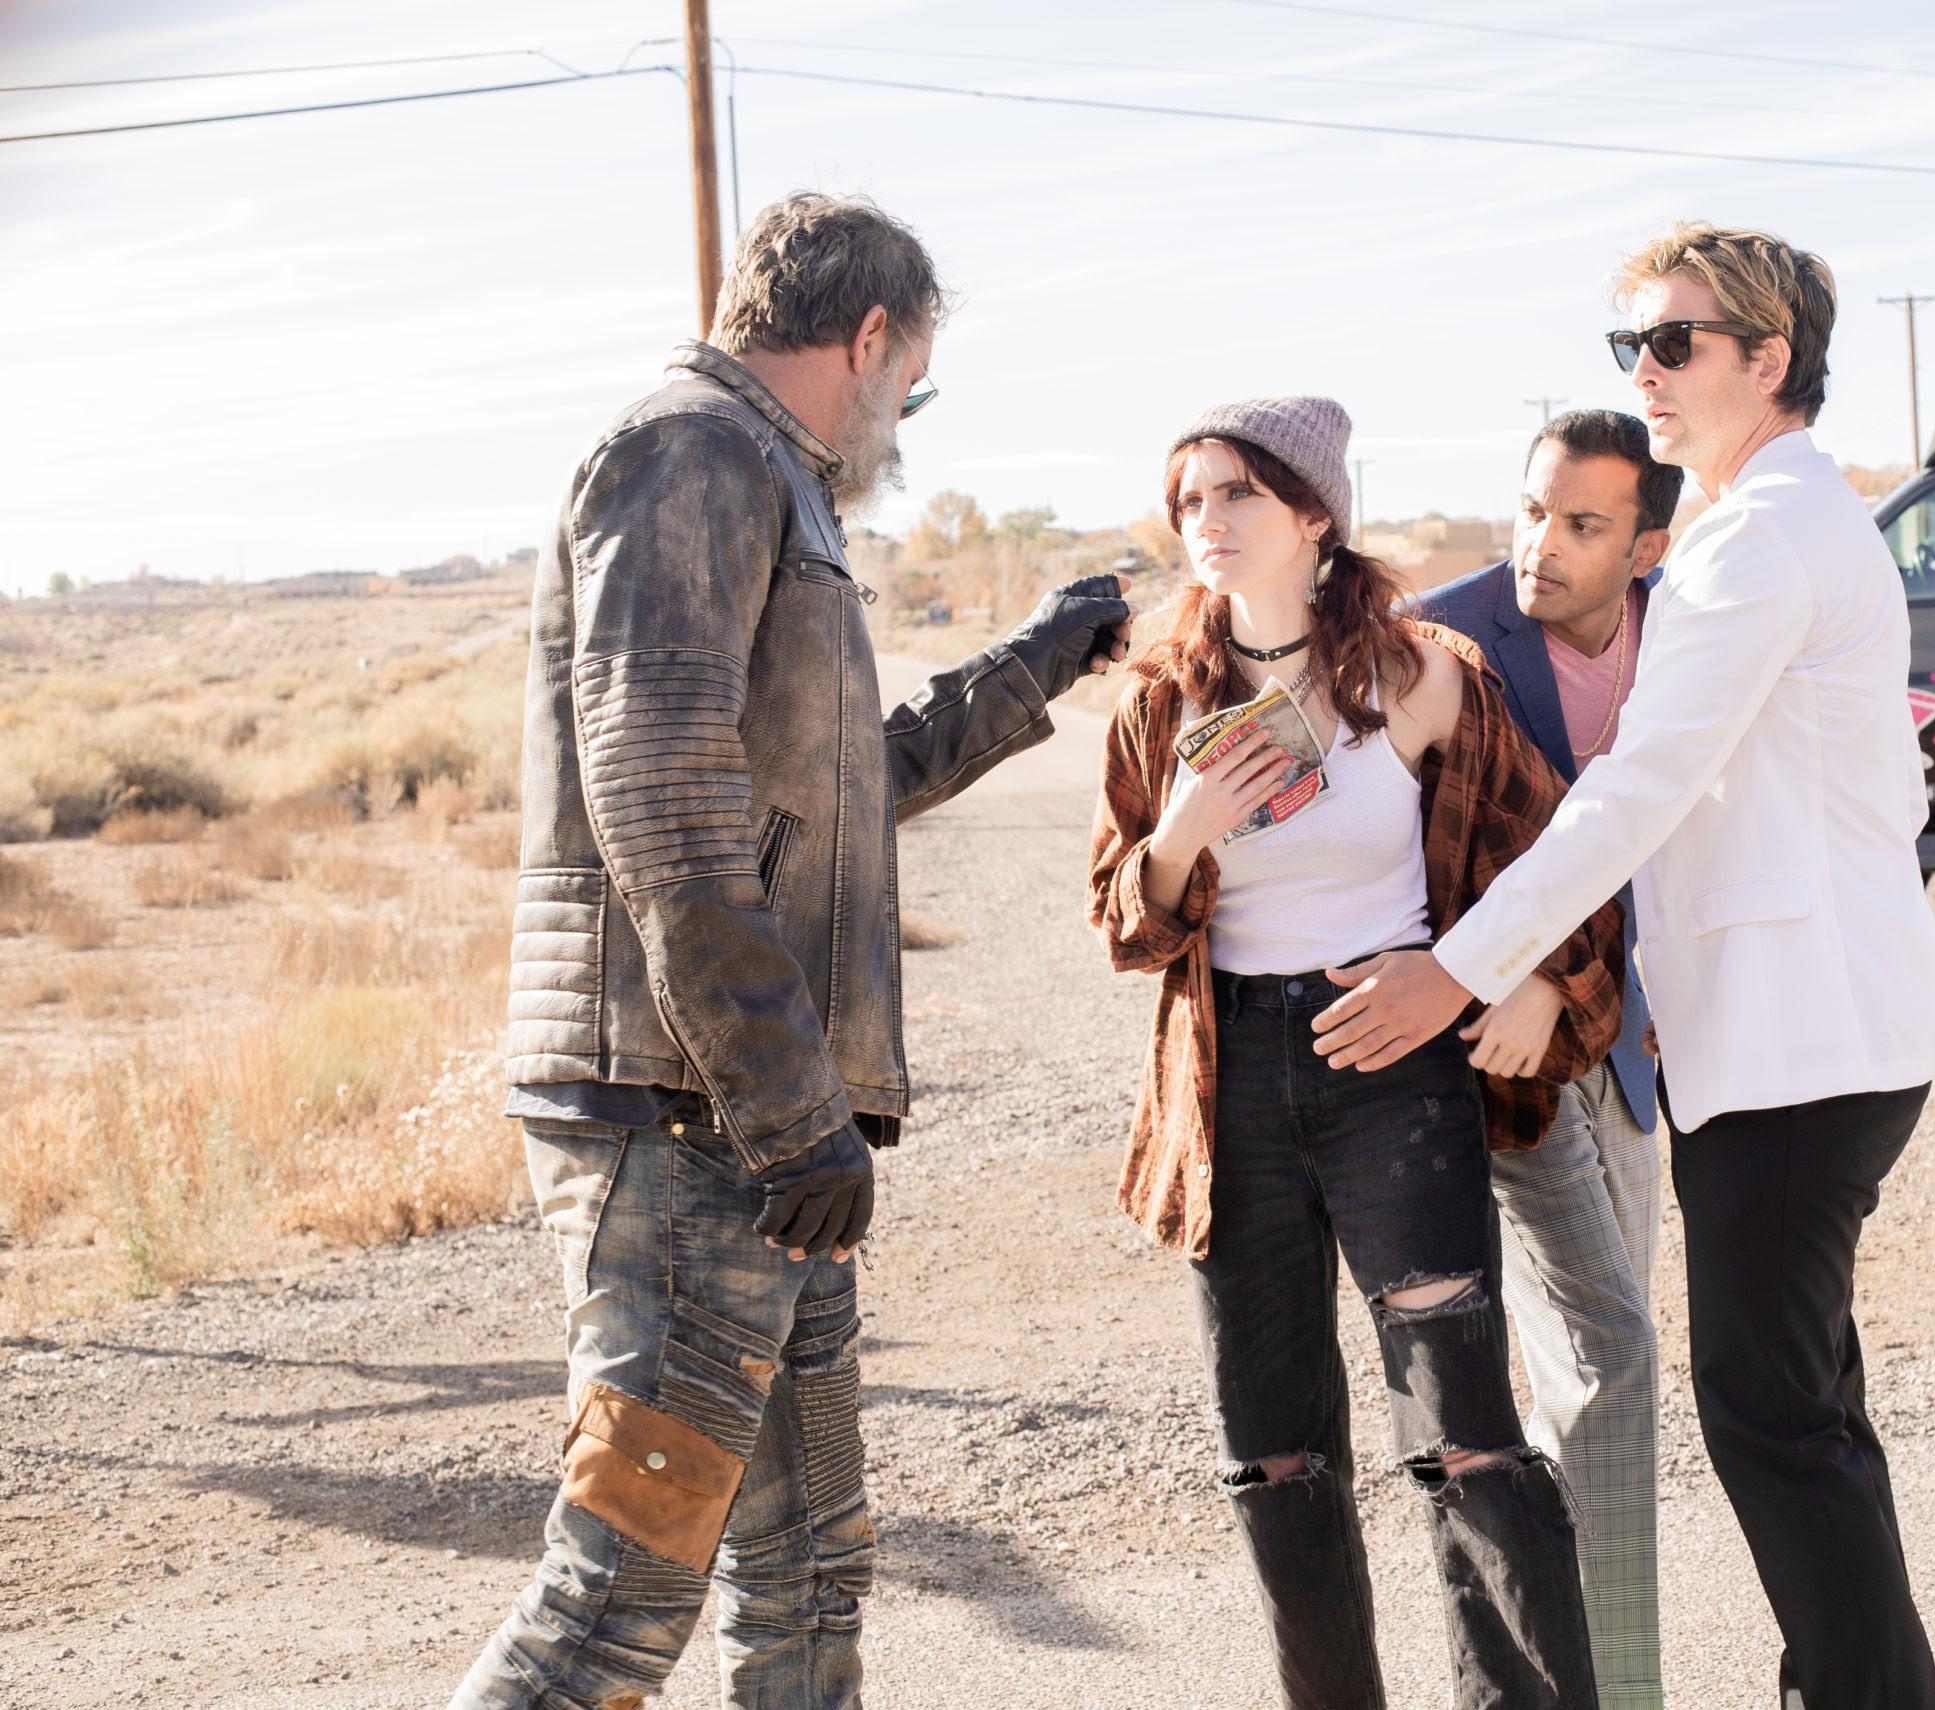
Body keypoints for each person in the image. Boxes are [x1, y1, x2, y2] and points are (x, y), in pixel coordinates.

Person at [456, 191, 1133, 1710]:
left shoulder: (775, 479)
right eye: (917, 382)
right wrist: (788, 1105)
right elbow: (661, 792)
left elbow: (829, 781)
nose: (908, 419)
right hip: (693, 1117)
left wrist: (1031, 665)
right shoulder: (690, 449)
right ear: (872, 335)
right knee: (617, 1599)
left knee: (812, 1571)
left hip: (767, 1138)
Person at [1306, 224, 1935, 1710]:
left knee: (1774, 1419)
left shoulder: (1757, 536)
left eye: (1674, 344)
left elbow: (1639, 788)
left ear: (1768, 360)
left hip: (1811, 1049)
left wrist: (1457, 970)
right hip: (1819, 1032)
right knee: (1812, 1415)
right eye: (1631, 347)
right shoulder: (1791, 521)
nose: (1645, 373)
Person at [1086, 395, 1622, 1710]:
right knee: (1277, 1456)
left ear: (1314, 513)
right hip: (1232, 1090)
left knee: (1469, 1438)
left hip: (1395, 1073)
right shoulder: (1163, 699)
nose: (1205, 522)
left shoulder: (1420, 676)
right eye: (1189, 499)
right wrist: (1182, 829)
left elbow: (1560, 866)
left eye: (1236, 495)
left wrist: (1541, 991)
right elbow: (1125, 919)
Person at [1407, 407, 1681, 1710]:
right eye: (1532, 512)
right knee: (1590, 1369)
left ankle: (1598, 1671)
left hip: (1638, 1052)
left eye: (1581, 525)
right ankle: (1608, 1682)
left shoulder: (1697, 629)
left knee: (1608, 1393)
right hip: (1499, 1076)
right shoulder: (1450, 638)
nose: (1542, 546)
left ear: (1647, 542)